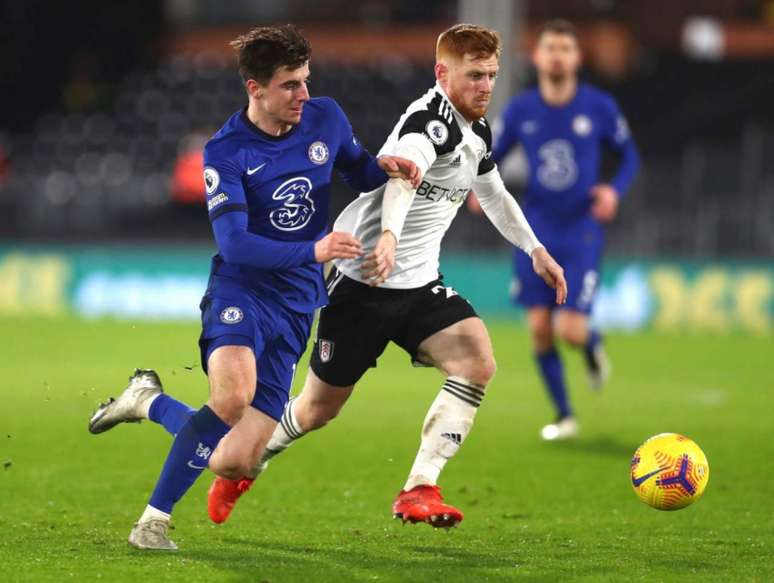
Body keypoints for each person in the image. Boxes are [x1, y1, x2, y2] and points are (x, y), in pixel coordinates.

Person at [206, 23, 567, 529]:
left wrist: (535, 249)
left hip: (418, 284)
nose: (486, 86)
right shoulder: (429, 123)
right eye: (475, 75)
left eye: (491, 75)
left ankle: (420, 487)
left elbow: (493, 193)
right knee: (316, 410)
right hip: (364, 281)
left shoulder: (477, 129)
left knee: (476, 360)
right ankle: (245, 466)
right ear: (443, 73)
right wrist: (390, 238)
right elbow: (403, 177)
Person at [87, 24, 418, 551]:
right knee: (232, 396)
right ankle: (152, 522)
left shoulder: (325, 117)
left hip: (297, 302)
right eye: (289, 85)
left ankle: (147, 400)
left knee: (235, 460)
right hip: (241, 291)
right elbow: (237, 245)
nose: (303, 95)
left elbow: (356, 170)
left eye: (305, 81)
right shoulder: (226, 151)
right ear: (255, 88)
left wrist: (385, 168)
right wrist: (315, 250)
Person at [468, 19, 640, 441]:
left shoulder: (598, 106)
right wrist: (476, 186)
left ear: (577, 58)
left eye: (566, 48)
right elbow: (490, 154)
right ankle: (564, 416)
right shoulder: (523, 110)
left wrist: (613, 191)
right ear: (537, 57)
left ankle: (591, 344)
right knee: (540, 329)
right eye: (551, 48)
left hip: (581, 230)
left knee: (571, 330)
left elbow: (629, 156)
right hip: (535, 230)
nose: (558, 55)